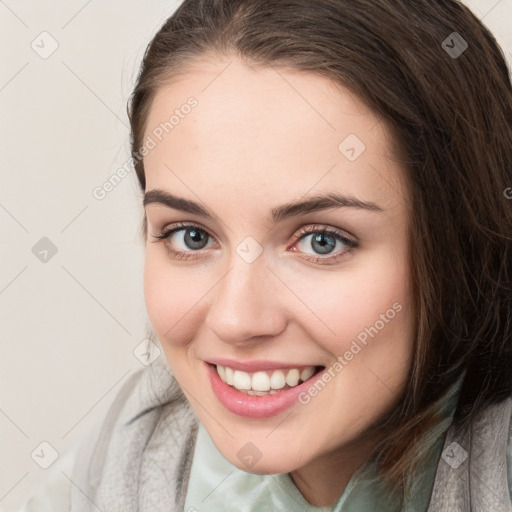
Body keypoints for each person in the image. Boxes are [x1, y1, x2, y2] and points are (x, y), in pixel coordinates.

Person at [20, 0, 512, 510]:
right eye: (191, 236)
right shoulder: (120, 457)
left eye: (322, 241)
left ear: (462, 247)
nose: (236, 320)